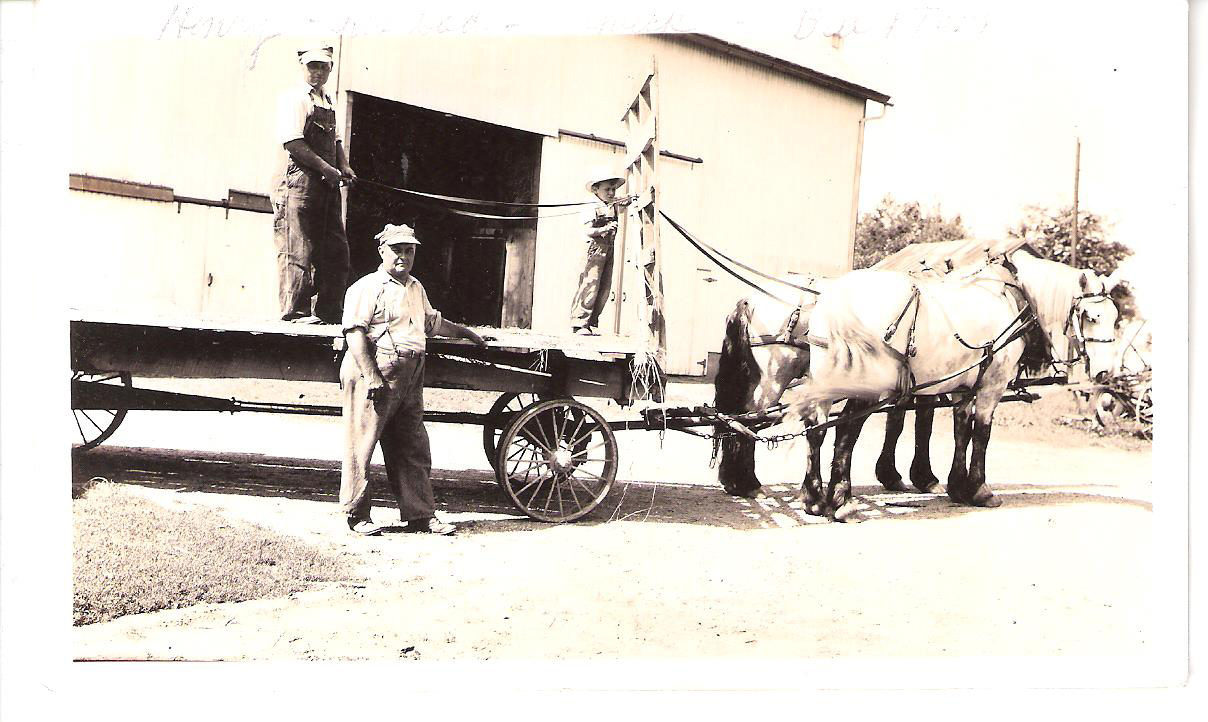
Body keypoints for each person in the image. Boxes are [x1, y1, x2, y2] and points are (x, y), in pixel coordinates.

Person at [339, 223, 488, 536]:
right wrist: (372, 377)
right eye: (397, 250)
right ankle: (357, 515)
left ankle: (420, 515)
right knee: (362, 441)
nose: (403, 256)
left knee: (413, 443)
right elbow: (354, 333)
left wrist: (468, 334)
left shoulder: (415, 287)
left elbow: (433, 324)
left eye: (409, 250)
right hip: (375, 367)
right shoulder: (367, 287)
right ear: (382, 252)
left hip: (411, 371)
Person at [272, 45, 356, 325]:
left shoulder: (329, 101)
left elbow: (336, 141)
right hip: (299, 183)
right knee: (298, 249)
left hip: (327, 185)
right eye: (313, 66)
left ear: (330, 69)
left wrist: (343, 166)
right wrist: (327, 169)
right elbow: (293, 142)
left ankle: (329, 312)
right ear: (303, 67)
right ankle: (296, 313)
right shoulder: (294, 98)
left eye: (323, 67)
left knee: (336, 250)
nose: (318, 72)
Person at [569, 167, 632, 335]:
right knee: (591, 285)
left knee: (604, 287)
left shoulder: (612, 204)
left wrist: (631, 199)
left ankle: (590, 323)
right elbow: (587, 231)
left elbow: (624, 202)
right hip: (594, 250)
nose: (611, 192)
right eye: (607, 189)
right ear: (596, 189)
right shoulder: (591, 206)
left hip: (609, 249)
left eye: (613, 189)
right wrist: (604, 228)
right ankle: (579, 323)